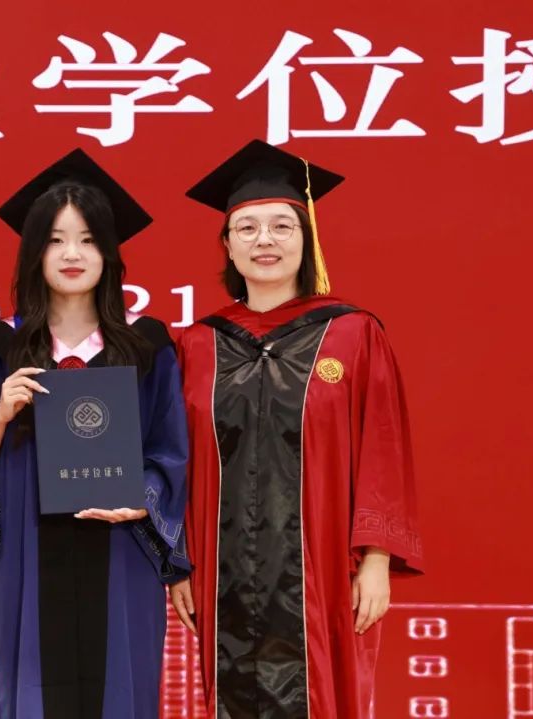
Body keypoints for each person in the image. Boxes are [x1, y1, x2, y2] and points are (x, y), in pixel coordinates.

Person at [174, 140, 424, 718]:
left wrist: (377, 560)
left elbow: (382, 448)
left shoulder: (353, 334)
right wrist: (179, 563)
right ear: (228, 246)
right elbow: (177, 461)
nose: (265, 240)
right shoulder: (197, 344)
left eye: (282, 226)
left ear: (306, 239)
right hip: (222, 571)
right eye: (248, 228)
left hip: (327, 568)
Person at [0, 149, 190, 718]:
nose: (73, 254)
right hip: (26, 550)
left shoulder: (147, 345)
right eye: (56, 240)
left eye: (88, 240)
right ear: (34, 253)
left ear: (110, 253)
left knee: (123, 691)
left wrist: (144, 499)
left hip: (123, 550)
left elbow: (172, 447)